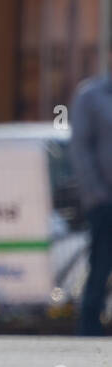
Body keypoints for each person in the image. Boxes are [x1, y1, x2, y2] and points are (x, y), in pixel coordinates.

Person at [70, 71, 112, 334]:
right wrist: (96, 194)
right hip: (105, 201)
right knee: (100, 266)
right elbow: (81, 148)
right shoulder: (92, 96)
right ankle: (89, 329)